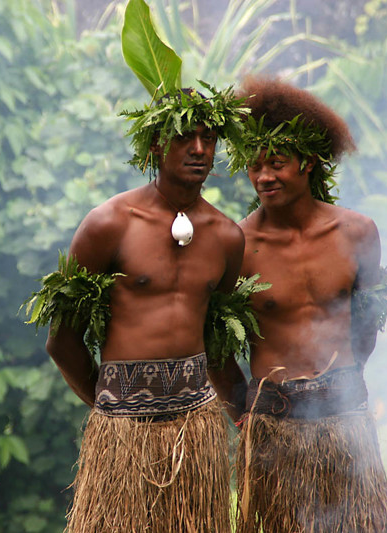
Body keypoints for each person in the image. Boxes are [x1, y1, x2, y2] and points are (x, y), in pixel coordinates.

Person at [36, 86, 248, 532]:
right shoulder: (110, 223)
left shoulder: (227, 236)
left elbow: (218, 344)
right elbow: (63, 340)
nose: (199, 149)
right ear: (155, 144)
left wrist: (244, 414)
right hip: (122, 431)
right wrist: (112, 407)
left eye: (208, 139)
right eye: (184, 137)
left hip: (198, 429)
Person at [228, 76, 387, 533]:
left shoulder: (356, 233)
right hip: (272, 422)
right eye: (255, 164)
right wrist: (241, 407)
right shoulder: (237, 245)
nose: (263, 176)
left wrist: (348, 380)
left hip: (344, 417)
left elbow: (367, 320)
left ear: (310, 162)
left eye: (277, 163)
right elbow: (216, 344)